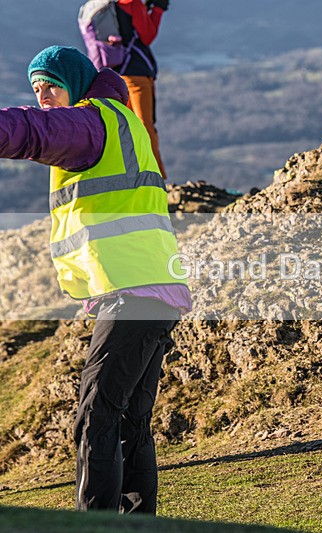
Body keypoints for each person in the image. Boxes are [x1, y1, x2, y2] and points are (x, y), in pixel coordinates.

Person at [0, 45, 191, 513]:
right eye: (36, 87)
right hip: (154, 291)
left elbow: (28, 130)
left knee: (96, 416)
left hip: (133, 292)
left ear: (76, 84)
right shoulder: (120, 121)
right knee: (129, 422)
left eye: (52, 85)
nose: (43, 96)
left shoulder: (90, 124)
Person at [112, 0, 170, 179]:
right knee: (145, 125)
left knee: (125, 126)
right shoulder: (133, 3)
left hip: (117, 73)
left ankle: (130, 176)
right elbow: (147, 35)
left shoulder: (109, 4)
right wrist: (158, 9)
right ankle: (156, 177)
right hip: (137, 74)